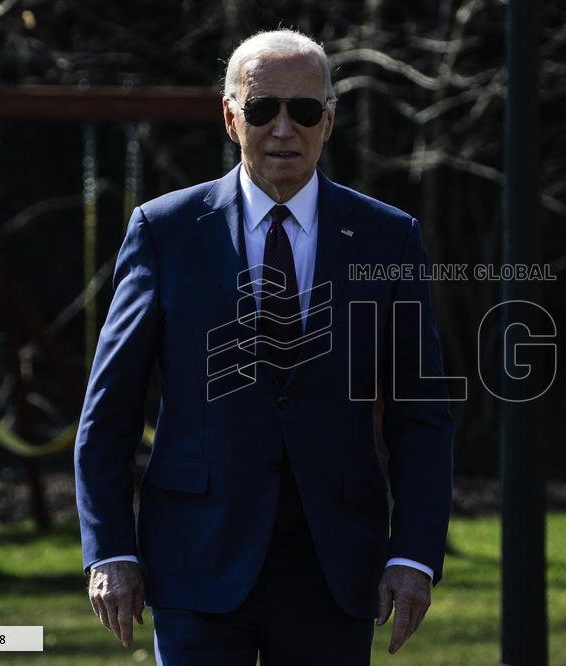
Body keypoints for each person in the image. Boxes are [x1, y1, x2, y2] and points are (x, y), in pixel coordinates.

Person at [74, 28, 454, 665]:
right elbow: (108, 410)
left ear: (327, 122)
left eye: (303, 110)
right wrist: (110, 550)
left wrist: (413, 556)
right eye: (262, 109)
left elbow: (422, 415)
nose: (284, 129)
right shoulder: (164, 232)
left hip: (334, 566)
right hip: (194, 557)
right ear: (231, 117)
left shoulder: (388, 239)